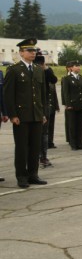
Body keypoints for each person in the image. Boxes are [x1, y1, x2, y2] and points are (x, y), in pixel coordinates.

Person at [4, 38, 48, 188]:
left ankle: (33, 174)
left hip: (36, 114)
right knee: (22, 147)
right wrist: (13, 115)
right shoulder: (14, 70)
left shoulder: (37, 70)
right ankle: (21, 176)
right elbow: (8, 95)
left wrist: (42, 113)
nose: (32, 53)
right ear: (21, 53)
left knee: (35, 146)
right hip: (21, 116)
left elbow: (41, 94)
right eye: (29, 50)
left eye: (34, 50)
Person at [61, 61, 82, 150]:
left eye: (79, 66)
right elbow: (66, 93)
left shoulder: (81, 77)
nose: (78, 68)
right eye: (76, 66)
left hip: (80, 104)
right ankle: (73, 144)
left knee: (79, 124)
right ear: (71, 68)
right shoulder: (66, 78)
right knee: (72, 125)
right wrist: (68, 104)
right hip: (72, 104)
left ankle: (79, 143)